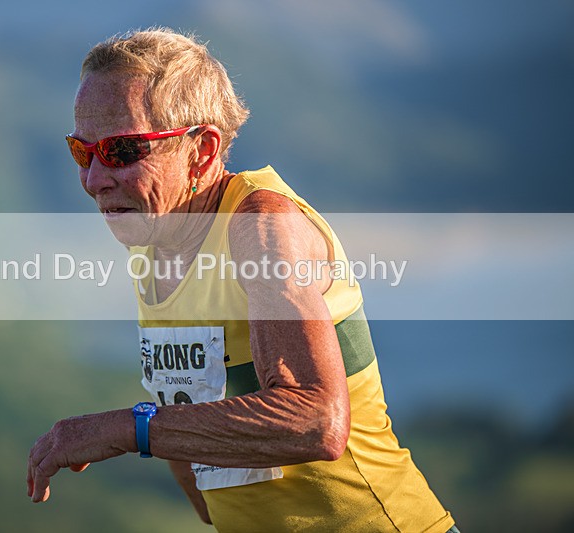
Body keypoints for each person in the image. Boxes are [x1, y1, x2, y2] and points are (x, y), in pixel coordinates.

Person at [27, 27, 458, 532]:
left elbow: (316, 421)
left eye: (122, 150)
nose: (95, 179)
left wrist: (127, 429)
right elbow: (191, 429)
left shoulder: (260, 227)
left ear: (202, 151)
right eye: (83, 152)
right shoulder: (153, 240)